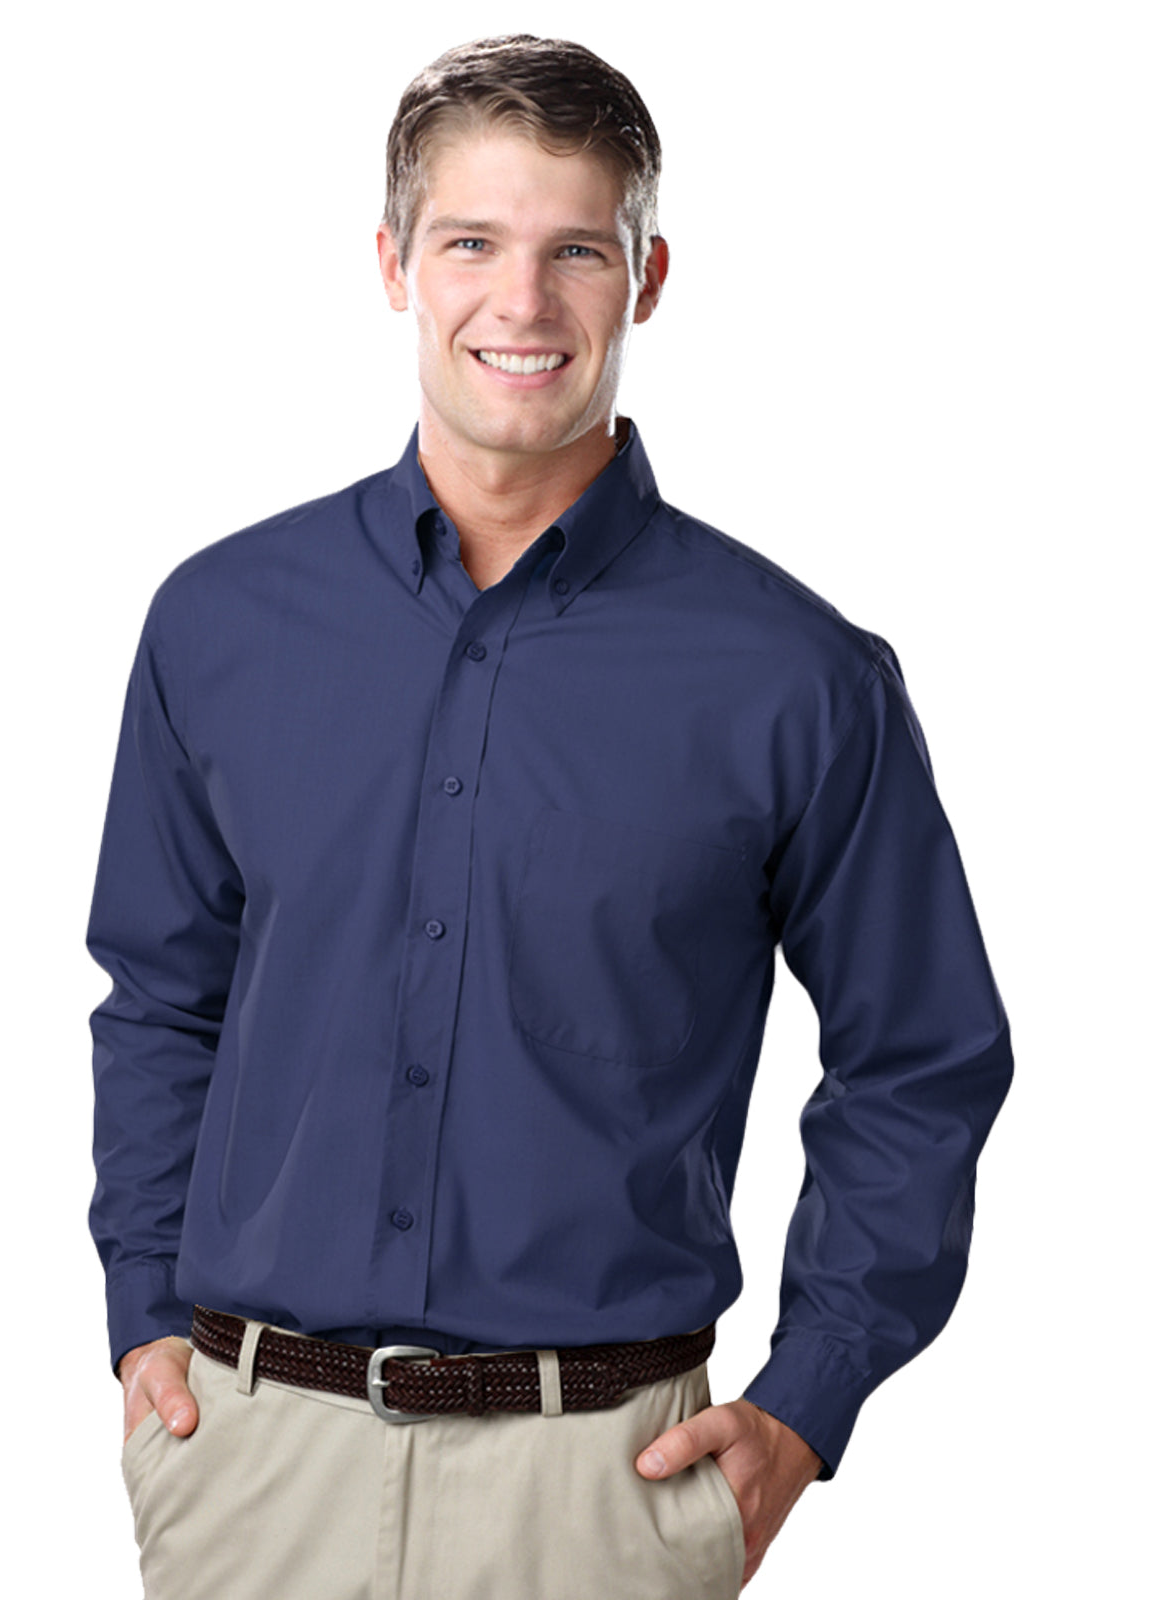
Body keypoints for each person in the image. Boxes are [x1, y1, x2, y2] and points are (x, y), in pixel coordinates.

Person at [88, 33, 1013, 1600]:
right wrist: (142, 1321)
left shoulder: (796, 675)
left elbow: (921, 1058)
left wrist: (809, 1401)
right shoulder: (219, 624)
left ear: (647, 279)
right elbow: (162, 998)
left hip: (599, 1493)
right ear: (395, 262)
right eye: (471, 243)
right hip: (252, 1471)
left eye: (576, 250)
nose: (521, 303)